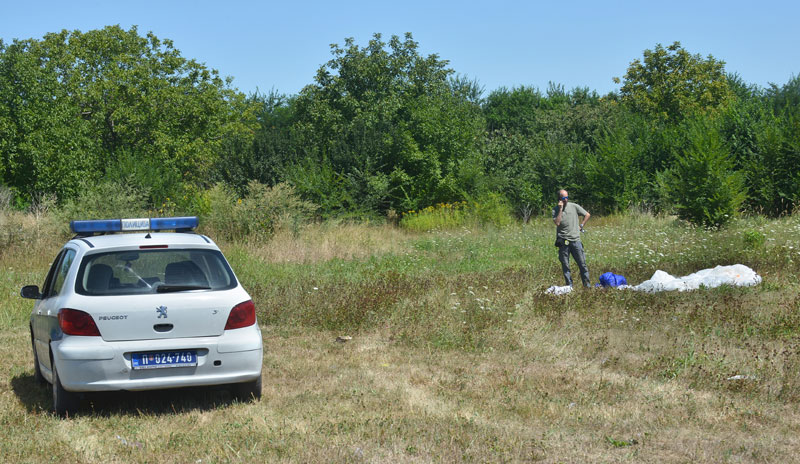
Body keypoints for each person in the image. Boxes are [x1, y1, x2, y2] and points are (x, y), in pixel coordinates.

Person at [552, 189, 591, 288]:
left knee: (582, 265)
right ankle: (569, 286)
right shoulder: (555, 210)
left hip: (575, 240)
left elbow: (587, 214)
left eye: (567, 197)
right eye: (563, 198)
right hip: (563, 241)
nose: (566, 199)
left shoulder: (574, 206)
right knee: (565, 266)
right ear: (559, 199)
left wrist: (581, 225)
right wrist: (560, 209)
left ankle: (587, 286)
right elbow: (557, 222)